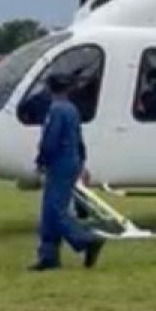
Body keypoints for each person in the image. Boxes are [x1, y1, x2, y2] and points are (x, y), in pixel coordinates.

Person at [29, 72, 106, 271]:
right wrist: (81, 162)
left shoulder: (55, 110)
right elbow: (79, 139)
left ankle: (86, 240)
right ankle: (48, 255)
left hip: (59, 163)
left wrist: (41, 161)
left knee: (55, 210)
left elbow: (50, 140)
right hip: (71, 160)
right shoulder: (72, 109)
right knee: (49, 211)